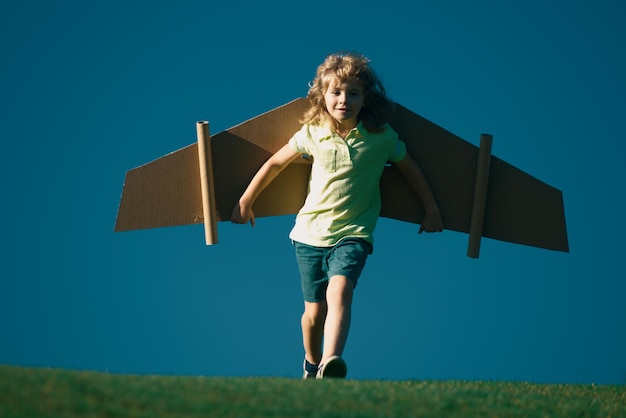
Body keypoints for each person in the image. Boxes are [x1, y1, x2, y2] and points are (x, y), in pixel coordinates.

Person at [231, 51, 444, 379]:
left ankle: (332, 360)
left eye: (353, 93)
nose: (344, 100)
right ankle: (312, 362)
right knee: (313, 315)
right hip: (309, 235)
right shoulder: (314, 132)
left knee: (340, 290)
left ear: (365, 98)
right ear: (323, 96)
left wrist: (431, 210)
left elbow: (411, 169)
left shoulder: (381, 138)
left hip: (354, 232)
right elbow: (276, 162)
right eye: (336, 92)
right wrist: (246, 201)